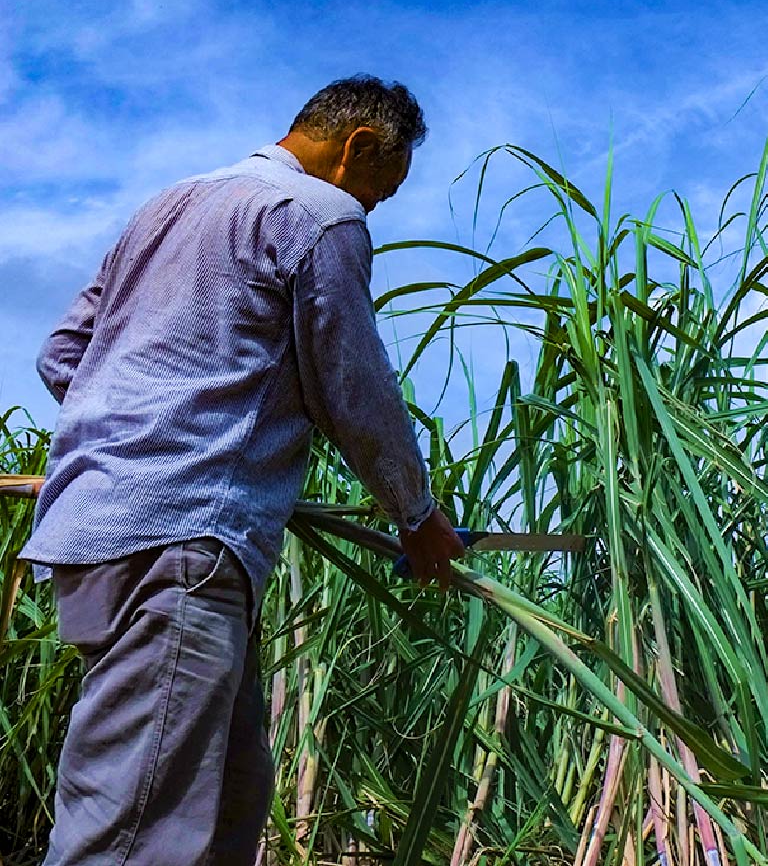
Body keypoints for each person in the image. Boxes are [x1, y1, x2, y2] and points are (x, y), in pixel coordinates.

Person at [19, 75, 466, 866]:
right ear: (357, 148)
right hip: (181, 541)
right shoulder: (319, 217)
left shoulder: (166, 207)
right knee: (131, 830)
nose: (375, 207)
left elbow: (65, 357)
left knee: (229, 791)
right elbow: (353, 387)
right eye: (381, 188)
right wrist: (416, 513)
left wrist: (134, 426)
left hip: (99, 534)